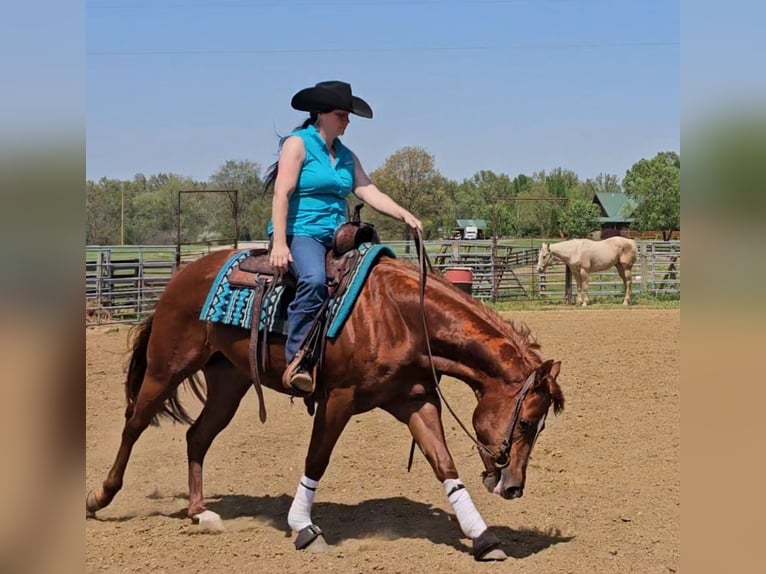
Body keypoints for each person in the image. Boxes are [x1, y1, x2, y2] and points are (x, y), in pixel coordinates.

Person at [264, 80, 422, 395]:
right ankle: (300, 359)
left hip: (338, 237)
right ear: (321, 114)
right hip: (301, 233)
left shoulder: (347, 155)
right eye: (341, 114)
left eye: (347, 115)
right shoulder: (298, 144)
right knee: (313, 280)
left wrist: (403, 213)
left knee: (379, 275)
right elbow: (282, 193)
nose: (347, 120)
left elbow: (368, 189)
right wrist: (280, 243)